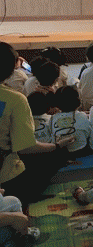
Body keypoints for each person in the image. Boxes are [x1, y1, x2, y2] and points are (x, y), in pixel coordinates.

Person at [0, 42, 73, 205]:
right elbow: (26, 148)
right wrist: (57, 146)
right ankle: (24, 194)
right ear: (12, 69)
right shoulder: (15, 99)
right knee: (59, 153)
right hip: (6, 178)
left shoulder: (21, 92)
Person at [50, 86, 91, 155]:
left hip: (61, 152)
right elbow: (87, 133)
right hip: (81, 150)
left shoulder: (52, 118)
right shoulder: (82, 116)